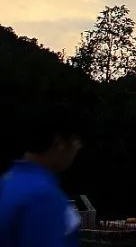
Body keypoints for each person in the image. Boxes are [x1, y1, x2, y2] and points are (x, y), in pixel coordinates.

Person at [0, 103, 84, 247]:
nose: (79, 147)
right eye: (76, 140)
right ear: (59, 143)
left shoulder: (6, 181)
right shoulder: (44, 196)